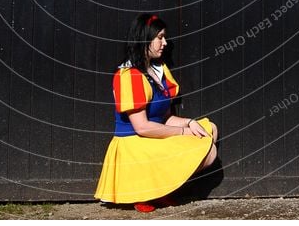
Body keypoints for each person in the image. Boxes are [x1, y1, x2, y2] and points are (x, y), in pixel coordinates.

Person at [94, 12, 219, 212]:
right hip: (134, 144)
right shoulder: (129, 75)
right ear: (144, 39)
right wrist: (183, 133)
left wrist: (189, 123)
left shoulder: (158, 70)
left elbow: (166, 118)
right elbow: (142, 127)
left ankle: (159, 189)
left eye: (164, 37)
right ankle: (145, 191)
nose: (165, 43)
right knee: (208, 150)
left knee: (209, 129)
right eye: (159, 37)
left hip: (152, 136)